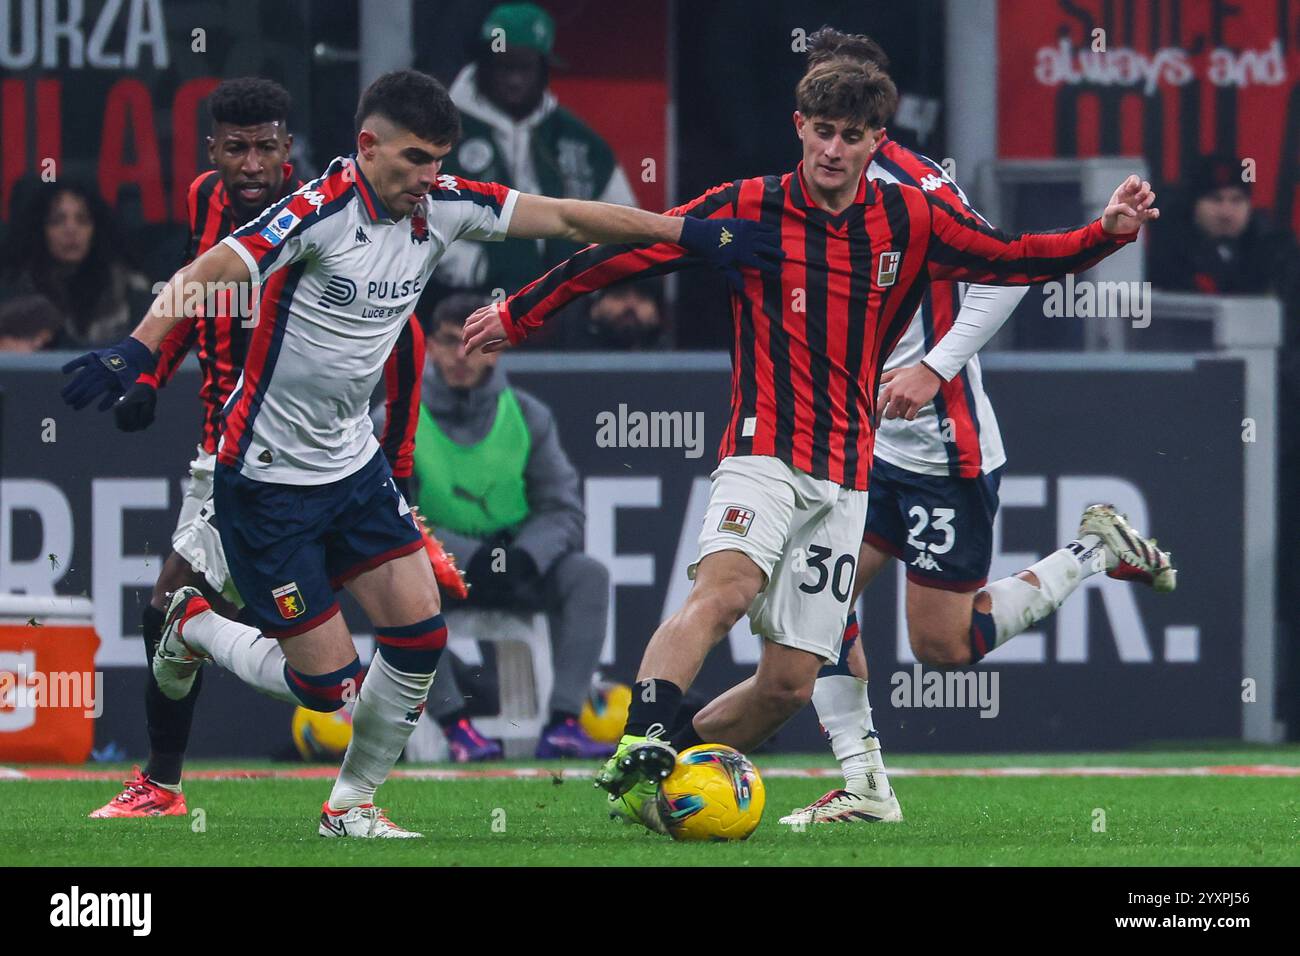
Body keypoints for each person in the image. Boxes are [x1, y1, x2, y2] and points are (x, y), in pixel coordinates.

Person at [61, 69, 779, 838]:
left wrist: (691, 234)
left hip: (354, 467)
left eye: (440, 159)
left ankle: (351, 808)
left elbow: (569, 216)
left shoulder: (445, 206)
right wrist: (138, 353)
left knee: (419, 635)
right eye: (414, 161)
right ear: (367, 147)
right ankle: (191, 628)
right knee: (328, 686)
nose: (429, 178)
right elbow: (207, 273)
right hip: (266, 478)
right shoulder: (316, 211)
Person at [462, 48, 1165, 832]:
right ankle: (643, 738)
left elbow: (1010, 258)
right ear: (799, 128)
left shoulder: (912, 219)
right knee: (722, 592)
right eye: (823, 131)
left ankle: (673, 774)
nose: (834, 149)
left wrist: (1104, 234)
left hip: (847, 479)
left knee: (789, 686)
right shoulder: (750, 207)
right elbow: (632, 248)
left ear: (876, 143)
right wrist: (521, 310)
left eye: (852, 136)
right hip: (762, 453)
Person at [764, 29, 1177, 826]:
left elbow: (1008, 275)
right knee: (819, 603)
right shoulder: (807, 185)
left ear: (876, 116)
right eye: (822, 108)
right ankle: (866, 784)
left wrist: (936, 367)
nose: (833, 131)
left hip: (938, 449)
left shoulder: (914, 185)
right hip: (862, 445)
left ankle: (1095, 550)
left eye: (851, 117)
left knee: (941, 649)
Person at [85, 77, 431, 819]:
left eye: (266, 149)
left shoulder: (320, 216)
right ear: (212, 150)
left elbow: (405, 342)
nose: (250, 165)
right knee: (174, 611)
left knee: (186, 615)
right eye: (235, 148)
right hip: (230, 448)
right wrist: (150, 370)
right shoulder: (204, 201)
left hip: (303, 456)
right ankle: (168, 781)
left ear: (288, 150)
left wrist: (399, 470)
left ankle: (168, 778)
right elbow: (194, 290)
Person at [398, 292, 613, 760]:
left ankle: (562, 724)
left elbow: (563, 508)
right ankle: (457, 731)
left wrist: (523, 557)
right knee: (396, 584)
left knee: (588, 575)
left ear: (497, 349)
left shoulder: (529, 416)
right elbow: (391, 514)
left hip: (519, 568)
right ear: (430, 346)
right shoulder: (399, 418)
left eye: (476, 343)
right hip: (441, 573)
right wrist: (468, 556)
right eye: (450, 342)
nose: (462, 356)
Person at [433, 2, 640, 296]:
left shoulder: (576, 138)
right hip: (469, 305)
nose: (514, 80)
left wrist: (597, 284)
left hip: (568, 308)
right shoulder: (442, 128)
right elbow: (416, 219)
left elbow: (624, 219)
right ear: (483, 64)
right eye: (504, 66)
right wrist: (474, 267)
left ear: (544, 68)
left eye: (525, 67)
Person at [0, 180, 151, 348]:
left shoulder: (128, 289)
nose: (71, 229)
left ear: (96, 229)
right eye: (57, 220)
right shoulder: (14, 291)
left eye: (82, 220)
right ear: (39, 230)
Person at [1148, 153, 1300, 298]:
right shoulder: (1167, 255)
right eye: (1215, 199)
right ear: (1193, 205)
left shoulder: (1276, 252)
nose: (1226, 213)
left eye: (1237, 200)